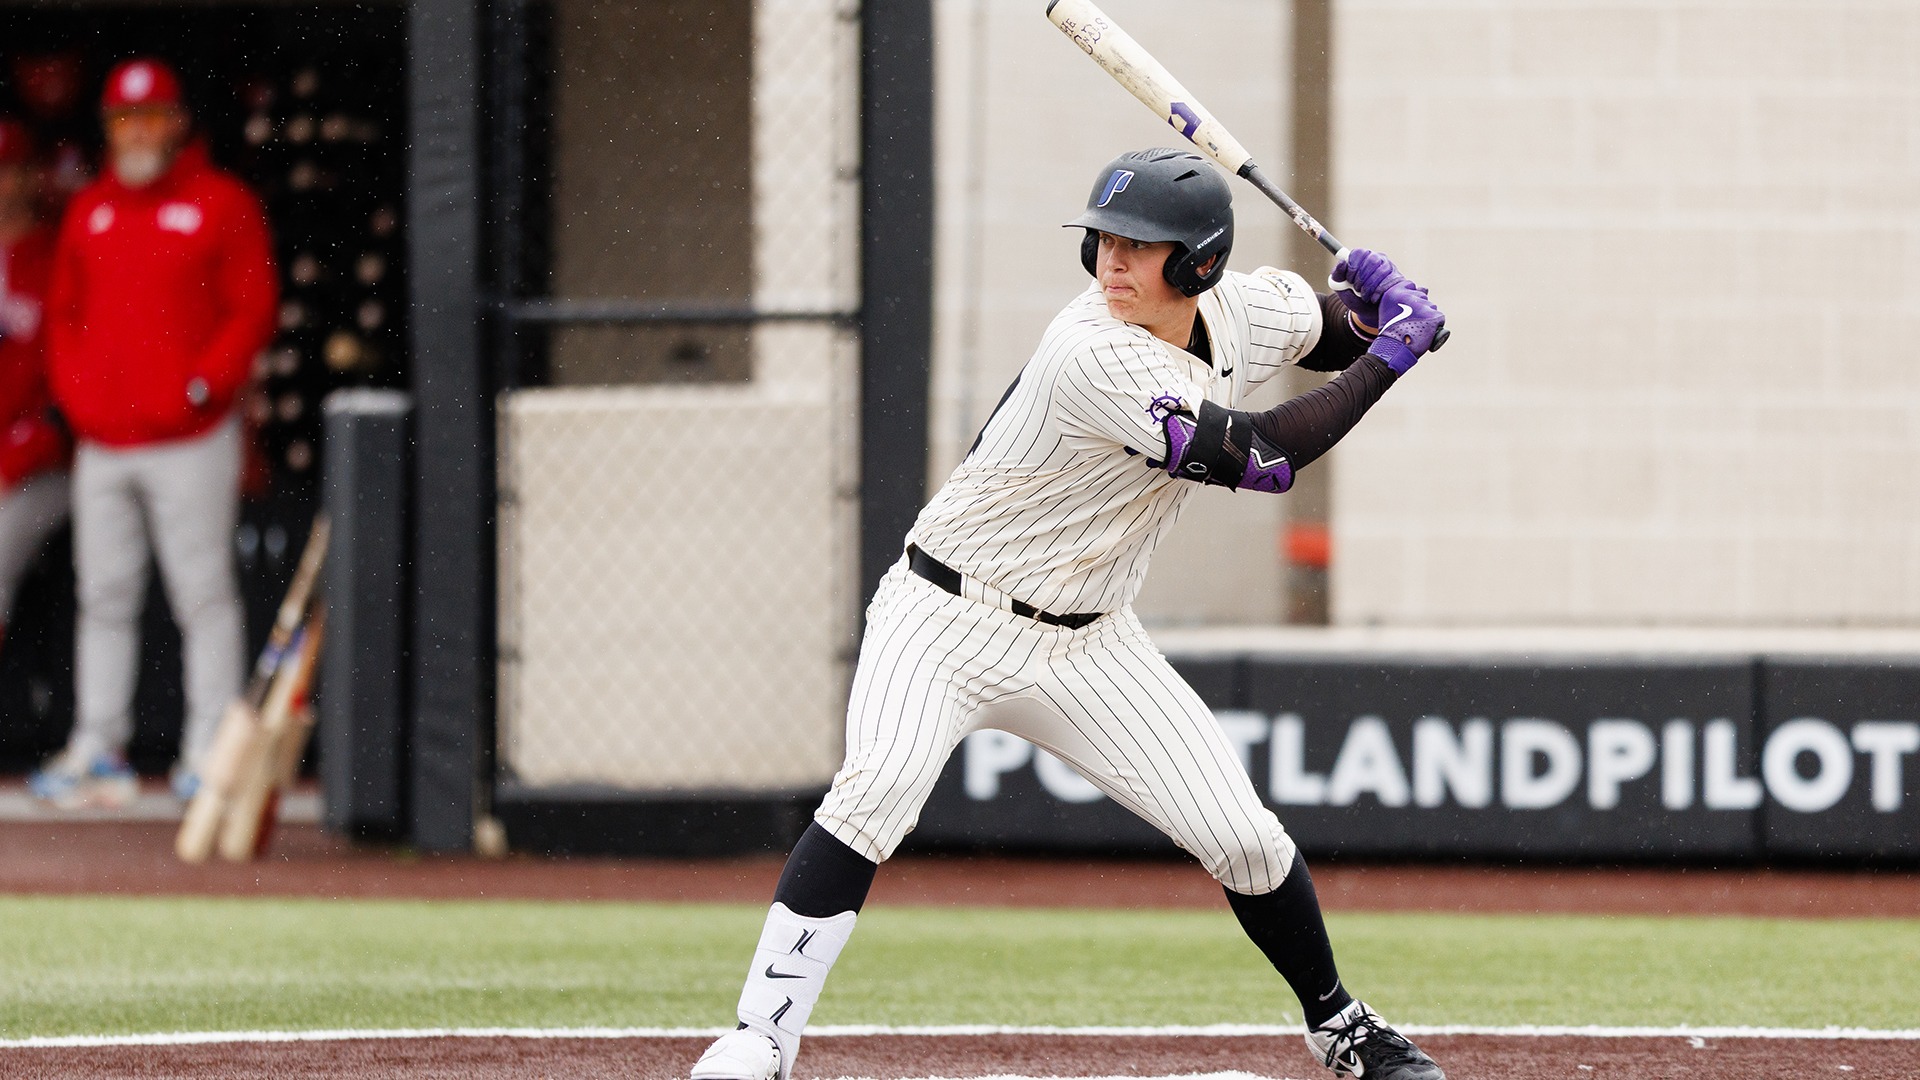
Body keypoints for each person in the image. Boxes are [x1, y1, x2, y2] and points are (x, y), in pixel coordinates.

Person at [688, 148, 1449, 1080]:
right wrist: (1393, 356)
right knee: (875, 791)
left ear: (1201, 264)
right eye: (1105, 241)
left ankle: (1341, 1027)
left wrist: (1375, 312)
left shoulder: (1245, 308)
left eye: (1142, 247)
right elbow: (1260, 457)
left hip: (1091, 641)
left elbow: (1325, 333)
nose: (1113, 263)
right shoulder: (1090, 348)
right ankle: (761, 1036)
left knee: (1244, 837)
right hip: (944, 617)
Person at [28, 59, 277, 808]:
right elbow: (62, 317)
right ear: (109, 129)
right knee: (102, 594)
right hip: (106, 441)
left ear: (178, 122)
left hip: (190, 438)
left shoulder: (220, 203)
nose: (138, 133)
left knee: (201, 595)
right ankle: (99, 748)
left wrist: (204, 386)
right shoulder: (90, 210)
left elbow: (252, 307)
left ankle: (208, 751)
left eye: (151, 117)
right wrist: (77, 400)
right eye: (123, 121)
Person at [0, 118, 73, 653]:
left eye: (7, 171)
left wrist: (20, 450)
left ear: (29, 177)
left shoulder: (57, 254)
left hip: (39, 461)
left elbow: (71, 378)